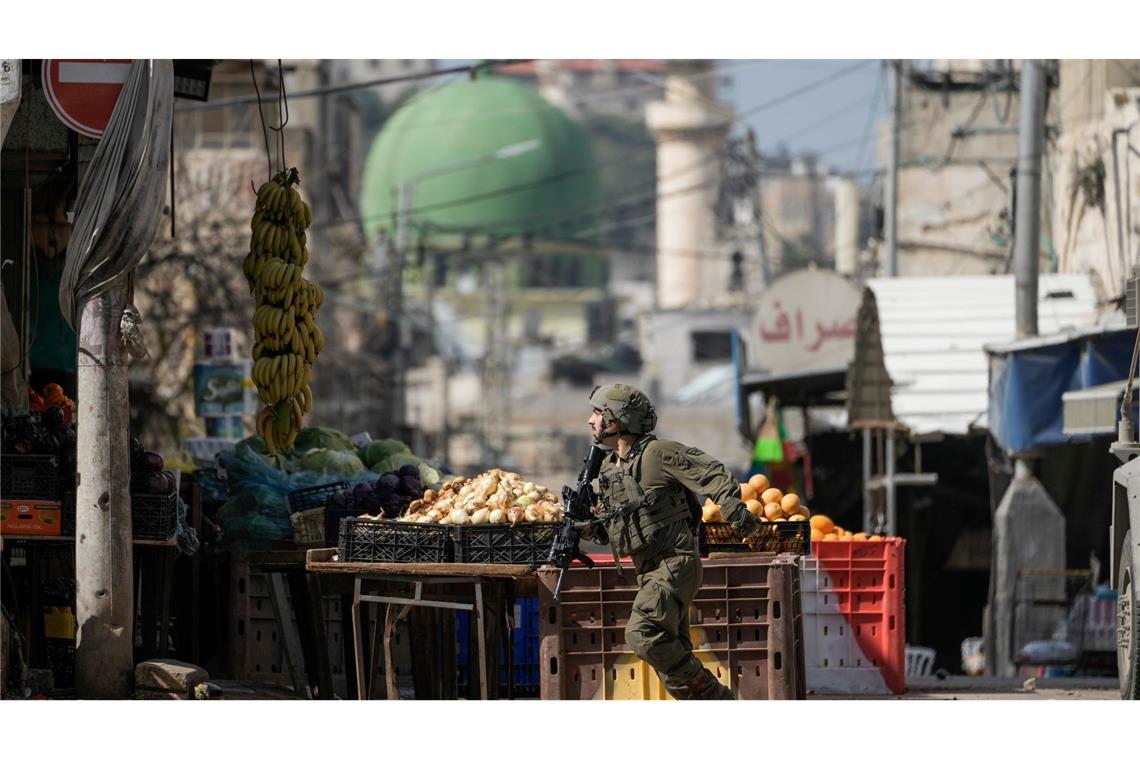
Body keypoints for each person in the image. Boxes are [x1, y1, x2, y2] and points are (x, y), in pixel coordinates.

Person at [579, 383, 764, 700]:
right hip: (649, 571)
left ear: (617, 418)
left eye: (597, 413)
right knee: (670, 659)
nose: (590, 421)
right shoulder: (611, 467)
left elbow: (713, 474)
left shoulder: (659, 454)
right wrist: (583, 526)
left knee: (643, 634)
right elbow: (613, 528)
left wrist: (736, 513)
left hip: (675, 563)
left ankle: (720, 699)